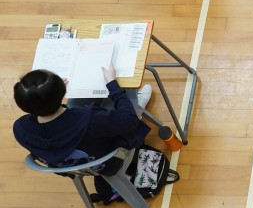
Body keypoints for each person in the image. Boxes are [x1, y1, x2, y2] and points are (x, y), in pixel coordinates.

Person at [13, 66, 152, 172]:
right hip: (110, 161)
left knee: (79, 104)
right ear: (62, 91)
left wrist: (48, 94)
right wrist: (112, 83)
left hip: (76, 169)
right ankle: (138, 104)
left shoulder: (20, 129)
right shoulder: (91, 119)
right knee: (125, 97)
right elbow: (129, 120)